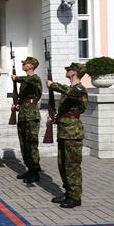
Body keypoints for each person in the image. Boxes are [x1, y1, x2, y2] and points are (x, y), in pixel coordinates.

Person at [47, 63, 88, 209]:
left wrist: (53, 85)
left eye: (69, 69)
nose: (67, 71)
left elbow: (70, 94)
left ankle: (75, 197)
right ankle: (68, 192)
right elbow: (66, 109)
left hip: (73, 133)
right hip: (64, 131)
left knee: (72, 166)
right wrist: (55, 118)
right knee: (62, 164)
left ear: (74, 73)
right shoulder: (70, 89)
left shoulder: (79, 89)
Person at [11, 56, 42, 184]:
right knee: (24, 144)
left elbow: (29, 81)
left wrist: (16, 78)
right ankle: (29, 168)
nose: (23, 64)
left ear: (31, 66)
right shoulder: (25, 81)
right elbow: (24, 97)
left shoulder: (35, 78)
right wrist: (18, 104)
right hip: (23, 114)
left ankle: (35, 171)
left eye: (25, 63)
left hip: (31, 116)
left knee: (31, 144)